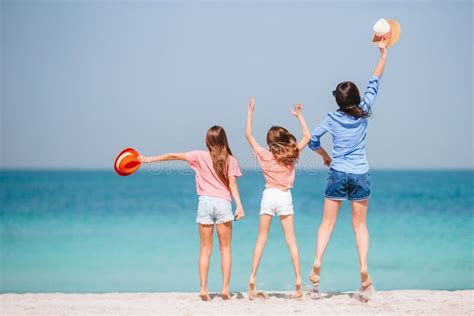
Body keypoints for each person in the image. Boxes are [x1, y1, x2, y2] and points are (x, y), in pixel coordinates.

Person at [308, 40, 388, 293]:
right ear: (355, 98)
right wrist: (383, 55)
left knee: (327, 224)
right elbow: (375, 81)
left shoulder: (332, 118)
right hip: (360, 172)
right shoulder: (364, 111)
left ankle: (318, 261)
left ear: (338, 100)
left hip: (338, 172)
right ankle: (363, 268)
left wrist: (323, 156)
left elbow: (312, 140)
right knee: (360, 226)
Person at [138, 126, 245, 301]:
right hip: (223, 204)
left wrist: (147, 160)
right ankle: (225, 289)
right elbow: (233, 185)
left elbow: (172, 156)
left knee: (205, 249)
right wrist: (239, 207)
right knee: (225, 249)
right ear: (224, 140)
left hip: (205, 203)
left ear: (207, 141)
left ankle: (203, 288)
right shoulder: (230, 160)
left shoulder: (198, 156)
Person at [245, 97, 311, 300]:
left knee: (261, 240)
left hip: (268, 195)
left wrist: (250, 112)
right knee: (291, 241)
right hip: (284, 197)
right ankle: (299, 280)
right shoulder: (292, 153)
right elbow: (307, 136)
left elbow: (248, 135)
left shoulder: (264, 155)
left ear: (269, 142)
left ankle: (252, 277)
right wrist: (300, 116)